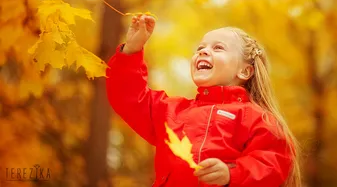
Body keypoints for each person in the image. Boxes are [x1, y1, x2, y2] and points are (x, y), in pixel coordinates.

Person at [106, 15, 301, 187]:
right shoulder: (171, 111)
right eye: (200, 48)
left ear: (244, 71)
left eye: (218, 48)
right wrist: (131, 50)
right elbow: (129, 98)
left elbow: (272, 164)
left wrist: (231, 175)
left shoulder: (259, 119)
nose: (203, 51)